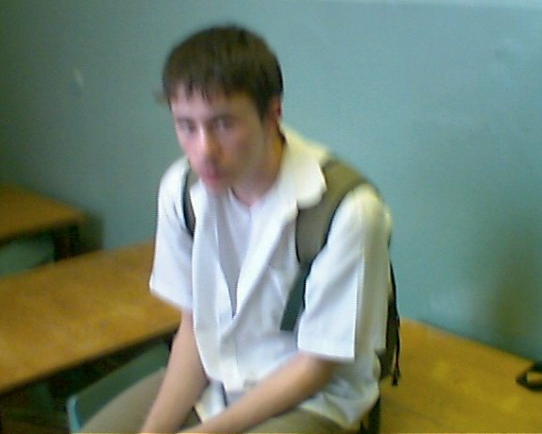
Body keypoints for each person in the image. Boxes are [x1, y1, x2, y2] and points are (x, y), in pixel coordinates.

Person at [81, 25, 392, 434]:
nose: (204, 150)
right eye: (186, 126)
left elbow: (316, 367)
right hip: (219, 379)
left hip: (313, 397)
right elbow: (195, 327)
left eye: (224, 124)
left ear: (273, 115)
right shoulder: (182, 190)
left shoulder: (347, 211)